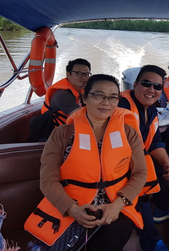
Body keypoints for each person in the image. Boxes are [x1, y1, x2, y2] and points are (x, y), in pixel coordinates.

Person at [25, 74, 147, 251]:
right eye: (98, 95)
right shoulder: (62, 134)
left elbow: (140, 173)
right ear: (84, 97)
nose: (106, 102)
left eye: (113, 97)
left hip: (116, 205)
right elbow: (48, 180)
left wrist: (117, 205)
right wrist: (72, 209)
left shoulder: (129, 133)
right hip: (70, 205)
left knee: (109, 237)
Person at [119, 65, 169, 234]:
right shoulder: (121, 107)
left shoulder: (151, 110)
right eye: (146, 84)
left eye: (157, 86)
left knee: (164, 165)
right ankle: (148, 229)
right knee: (151, 171)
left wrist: (166, 163)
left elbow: (155, 140)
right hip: (119, 165)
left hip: (138, 159)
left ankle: (162, 208)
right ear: (134, 84)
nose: (151, 89)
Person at [28, 58, 92, 142]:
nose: (83, 78)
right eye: (79, 74)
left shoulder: (81, 90)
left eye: (86, 74)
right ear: (68, 74)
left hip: (72, 131)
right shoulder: (63, 96)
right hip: (57, 138)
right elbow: (84, 118)